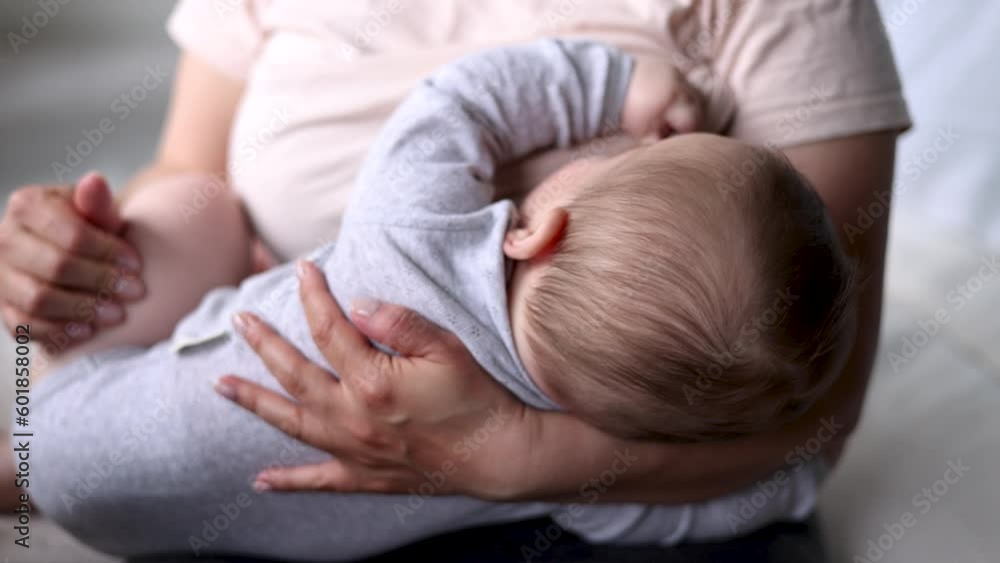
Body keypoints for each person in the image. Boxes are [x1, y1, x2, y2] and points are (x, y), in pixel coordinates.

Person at [0, 0, 909, 552]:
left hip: (96, 443)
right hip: (157, 506)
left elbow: (460, 101)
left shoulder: (415, 234)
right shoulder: (601, 483)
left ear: (536, 228)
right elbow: (769, 478)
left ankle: (26, 454)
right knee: (188, 214)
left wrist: (612, 86)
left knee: (78, 399)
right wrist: (74, 248)